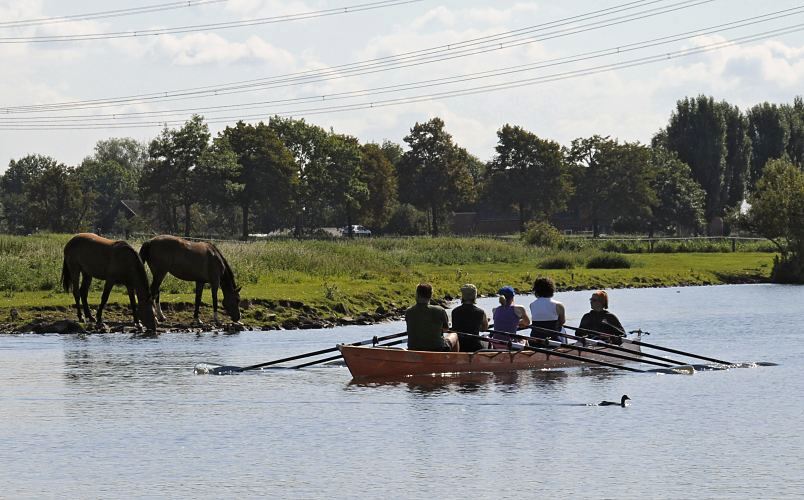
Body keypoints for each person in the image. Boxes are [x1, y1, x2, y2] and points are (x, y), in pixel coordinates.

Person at [405, 283, 459, 352]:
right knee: (454, 335)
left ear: (417, 295)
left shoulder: (409, 311)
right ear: (430, 295)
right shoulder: (440, 310)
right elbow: (445, 329)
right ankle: (454, 360)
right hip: (437, 348)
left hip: (413, 348)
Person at [451, 284, 489, 352]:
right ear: (475, 296)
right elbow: (484, 329)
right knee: (488, 342)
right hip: (475, 347)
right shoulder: (481, 312)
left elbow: (454, 329)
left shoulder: (454, 311)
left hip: (459, 346)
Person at [528, 277, 566, 345]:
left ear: (536, 291)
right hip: (553, 341)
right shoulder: (559, 305)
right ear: (551, 290)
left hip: (535, 341)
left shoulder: (532, 305)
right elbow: (562, 322)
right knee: (563, 330)